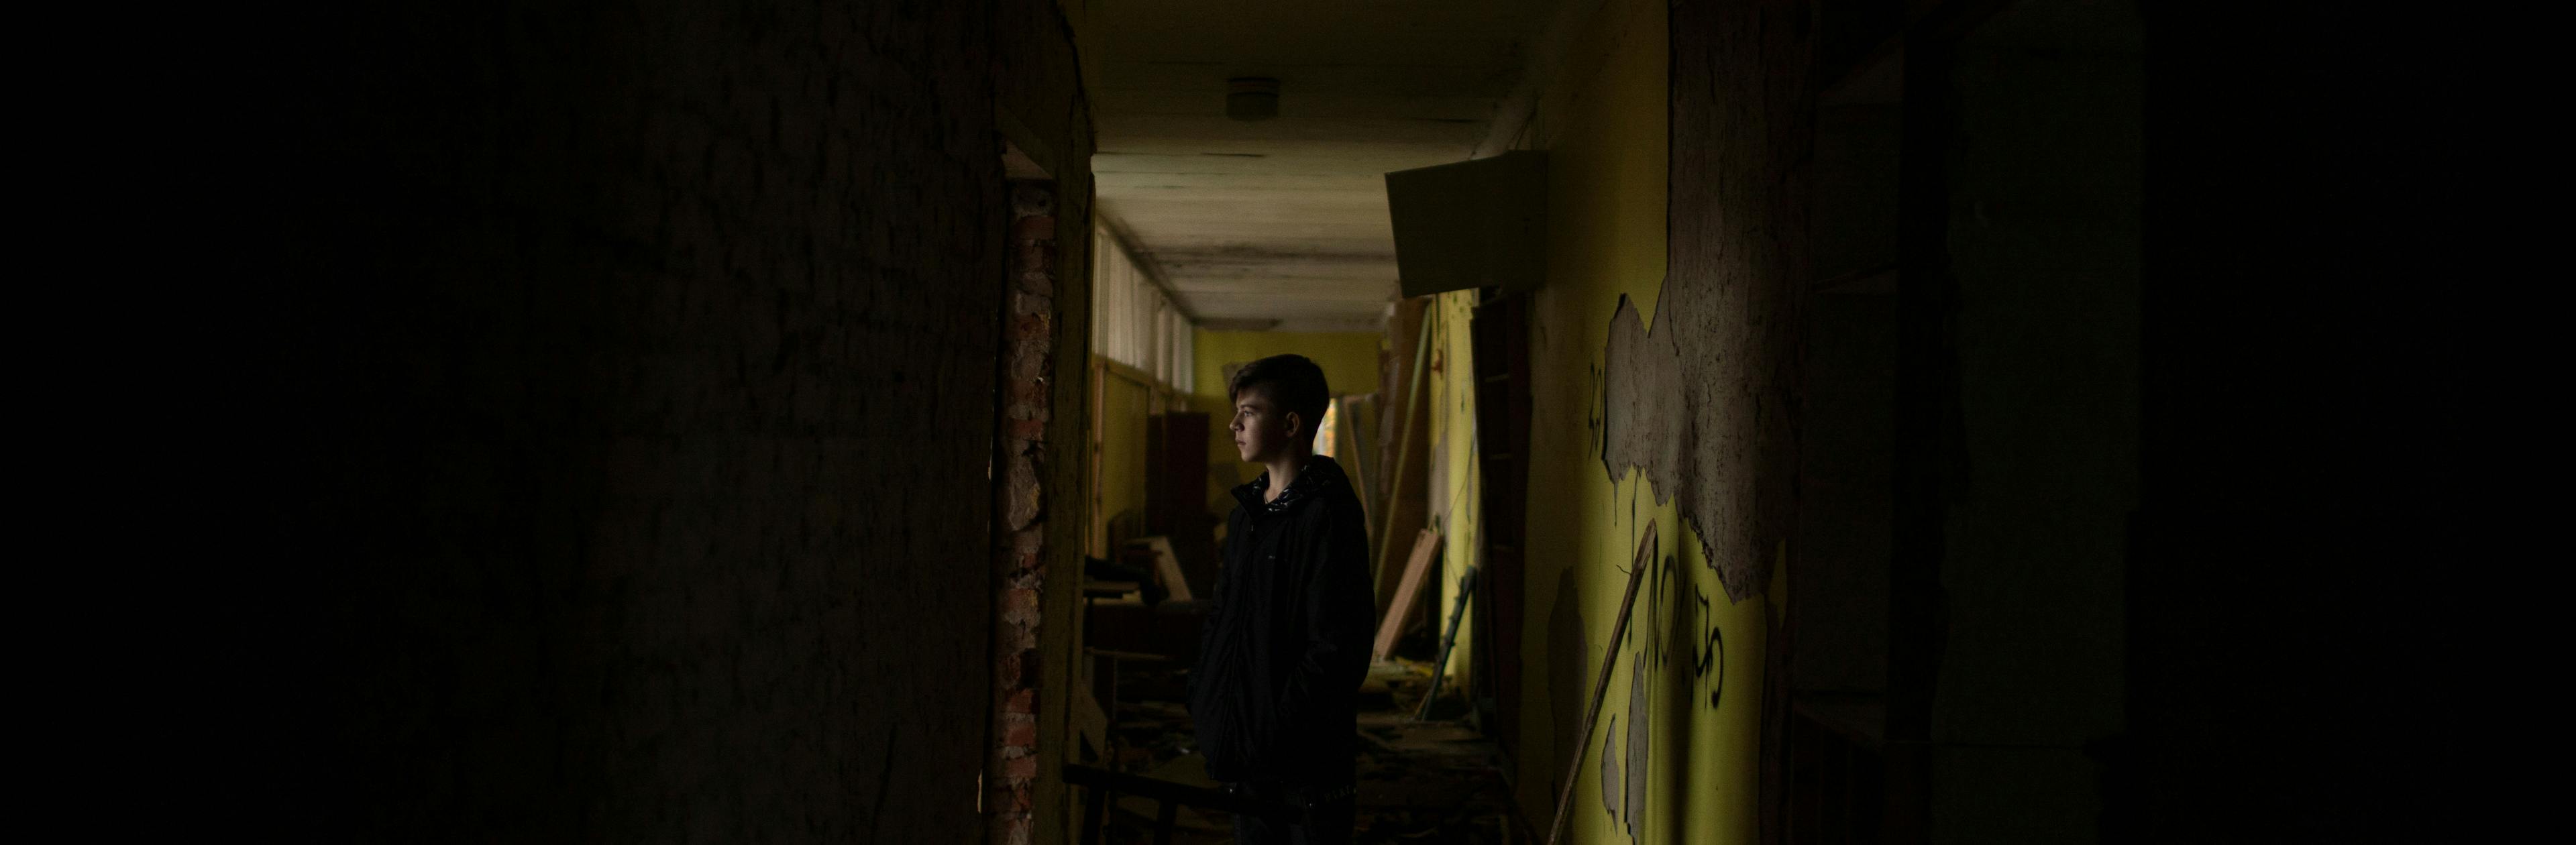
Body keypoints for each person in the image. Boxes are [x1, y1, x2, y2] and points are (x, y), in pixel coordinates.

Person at [1188, 353, 1376, 844]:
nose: (1234, 425)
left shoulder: (1329, 517)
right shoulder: (1247, 515)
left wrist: (1273, 727)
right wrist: (1209, 702)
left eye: (1248, 412)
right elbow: (1221, 620)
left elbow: (1338, 648)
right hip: (1248, 761)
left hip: (1305, 774)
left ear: (1291, 424)